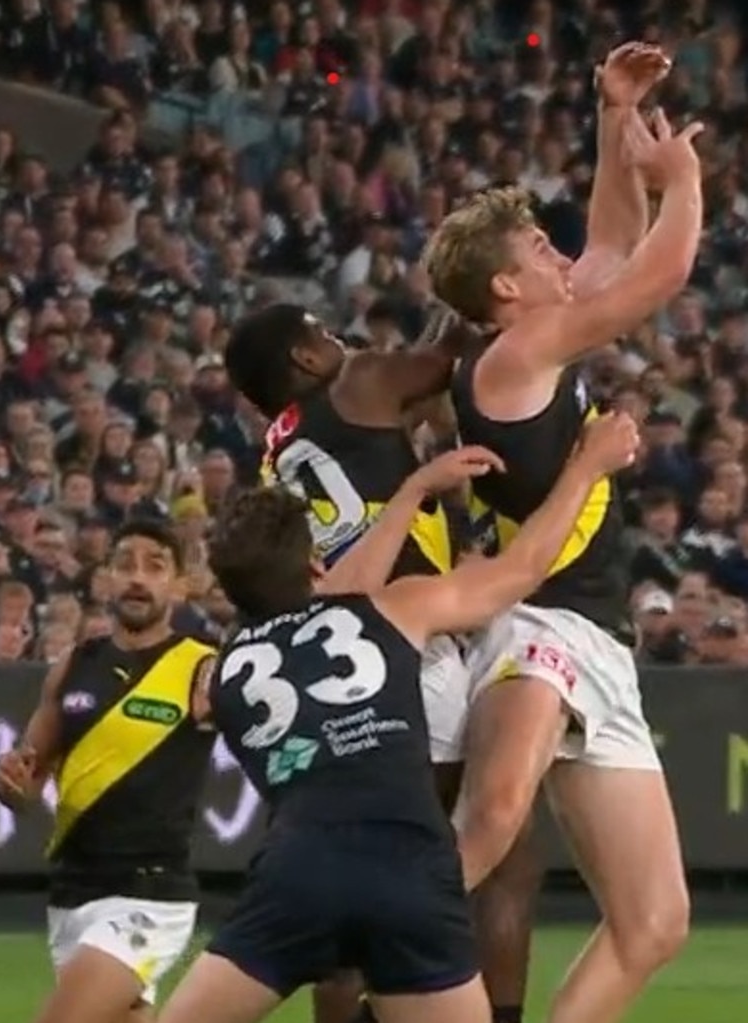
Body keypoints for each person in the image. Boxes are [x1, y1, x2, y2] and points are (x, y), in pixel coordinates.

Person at [158, 413, 640, 1023]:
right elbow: (522, 571)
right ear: (314, 564)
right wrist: (587, 467)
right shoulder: (394, 609)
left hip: (296, 876)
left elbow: (321, 601)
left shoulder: (220, 676)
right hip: (410, 874)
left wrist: (412, 494)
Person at [423, 59, 703, 1023]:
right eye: (542, 247)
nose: (561, 255)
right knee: (492, 820)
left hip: (594, 639)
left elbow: (617, 242)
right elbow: (659, 267)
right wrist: (685, 178)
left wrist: (613, 114)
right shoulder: (518, 351)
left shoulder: (527, 341)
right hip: (540, 623)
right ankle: (374, 938)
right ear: (506, 283)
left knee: (656, 920)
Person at [226, 302, 537, 1023]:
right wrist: (460, 292)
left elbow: (416, 387)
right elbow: (439, 364)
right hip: (407, 642)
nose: (346, 342)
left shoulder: (280, 448)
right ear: (305, 359)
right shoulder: (358, 381)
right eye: (326, 335)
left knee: (348, 884)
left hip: (335, 654)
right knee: (506, 860)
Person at [0, 519, 217, 1023]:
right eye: (125, 564)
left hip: (149, 893)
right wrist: (10, 783)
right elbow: (27, 779)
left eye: (155, 566)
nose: (137, 577)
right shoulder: (74, 665)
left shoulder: (204, 667)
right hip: (72, 892)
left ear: (181, 585)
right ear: (106, 579)